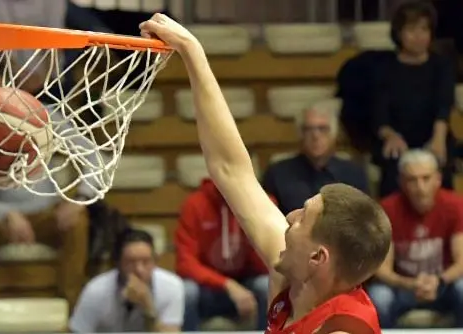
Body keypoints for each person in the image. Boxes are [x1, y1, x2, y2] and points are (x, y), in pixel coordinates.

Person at [139, 13, 392, 333]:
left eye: (303, 217)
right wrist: (193, 52)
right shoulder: (296, 277)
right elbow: (230, 170)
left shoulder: (340, 327)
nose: (288, 217)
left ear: (318, 258)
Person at [368, 149, 463, 328]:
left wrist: (438, 281)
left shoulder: (455, 205)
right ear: (401, 182)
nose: (420, 187)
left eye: (426, 178)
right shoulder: (387, 209)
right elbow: (382, 269)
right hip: (403, 287)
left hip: (444, 285)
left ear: (438, 179)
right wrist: (410, 284)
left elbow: (461, 261)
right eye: (412, 180)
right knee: (378, 296)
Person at [372, 0, 456, 197]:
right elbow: (379, 113)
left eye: (424, 29)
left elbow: (444, 105)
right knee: (393, 166)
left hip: (433, 134)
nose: (418, 37)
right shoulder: (383, 68)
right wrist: (389, 135)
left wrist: (438, 139)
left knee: (440, 166)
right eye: (411, 30)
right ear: (399, 33)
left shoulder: (442, 65)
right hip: (398, 138)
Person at [176, 178, 270, 330]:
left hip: (247, 283)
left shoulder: (261, 202)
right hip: (207, 286)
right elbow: (185, 263)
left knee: (267, 284)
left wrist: (251, 229)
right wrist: (227, 284)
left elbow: (269, 260)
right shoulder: (195, 204)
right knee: (186, 291)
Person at [69, 228, 184, 332]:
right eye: (130, 262)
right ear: (118, 264)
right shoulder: (96, 290)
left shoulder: (171, 286)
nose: (139, 270)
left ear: (155, 262)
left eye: (146, 261)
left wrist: (148, 309)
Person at [262, 104, 369, 214]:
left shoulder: (354, 174)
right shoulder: (277, 174)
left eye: (322, 129)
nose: (315, 136)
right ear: (300, 134)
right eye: (308, 129)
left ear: (334, 135)